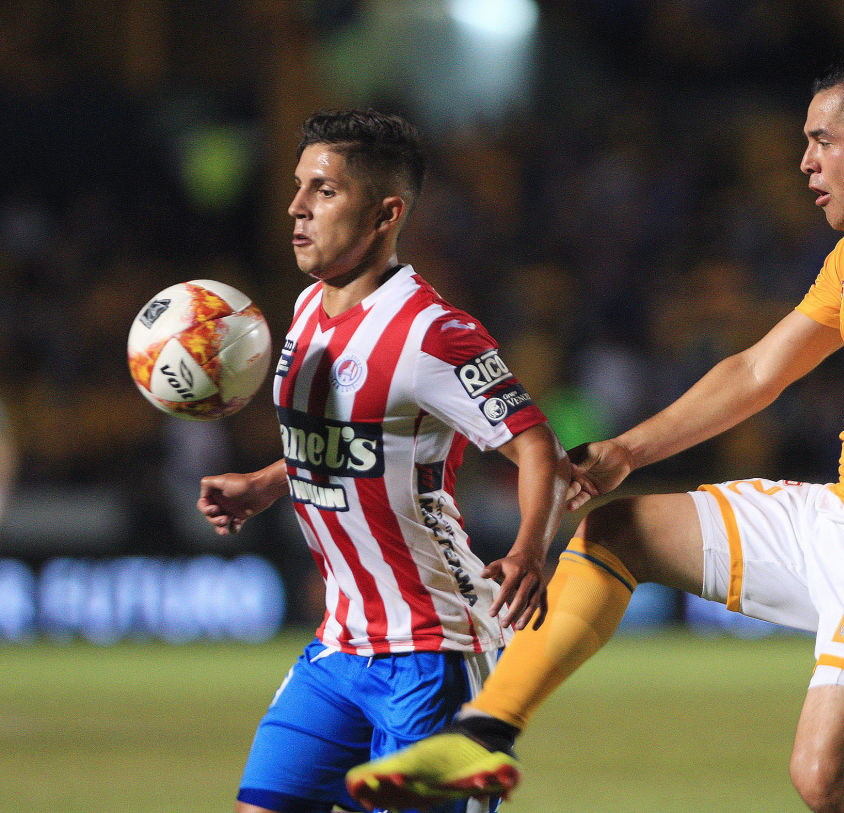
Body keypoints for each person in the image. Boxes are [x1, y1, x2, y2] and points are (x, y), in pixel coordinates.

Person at [348, 39, 844, 813]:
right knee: (617, 532)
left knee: (825, 778)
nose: (804, 162)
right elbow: (755, 372)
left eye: (820, 141)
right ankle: (481, 734)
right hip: (841, 517)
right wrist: (626, 449)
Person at [196, 109, 572, 813]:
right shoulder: (308, 309)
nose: (296, 207)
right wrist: (267, 483)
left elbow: (534, 443)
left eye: (324, 190)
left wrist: (528, 548)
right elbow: (357, 444)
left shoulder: (435, 335)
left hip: (434, 650)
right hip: (340, 646)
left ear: (384, 213)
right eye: (298, 186)